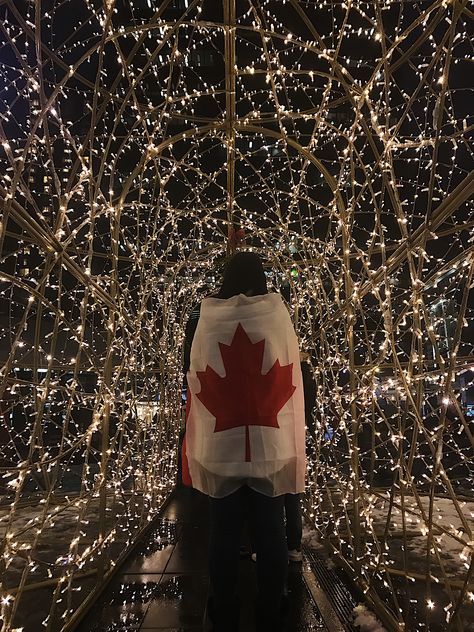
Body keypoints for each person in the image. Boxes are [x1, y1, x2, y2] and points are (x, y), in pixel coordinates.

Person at [182, 252, 306, 632]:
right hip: (269, 442)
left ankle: (224, 608)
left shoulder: (206, 318)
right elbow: (290, 371)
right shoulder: (276, 314)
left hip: (222, 444)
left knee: (223, 531)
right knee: (270, 532)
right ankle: (271, 607)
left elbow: (192, 373)